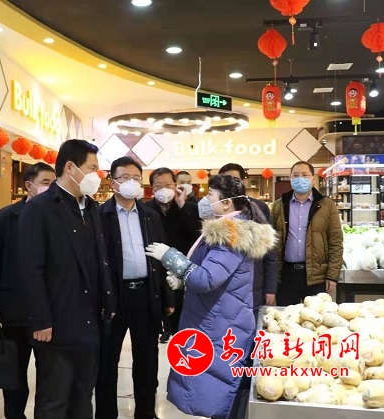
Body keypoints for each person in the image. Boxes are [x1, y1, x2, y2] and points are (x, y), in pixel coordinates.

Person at [145, 174, 276, 419]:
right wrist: (183, 277)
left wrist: (170, 257)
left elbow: (206, 279)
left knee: (217, 387)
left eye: (210, 194)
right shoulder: (229, 228)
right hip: (220, 315)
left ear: (226, 203)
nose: (205, 199)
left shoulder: (230, 234)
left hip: (219, 321)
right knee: (216, 385)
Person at [17, 139, 115, 419]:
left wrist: (108, 304)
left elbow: (100, 261)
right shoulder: (39, 208)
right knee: (54, 399)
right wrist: (40, 319)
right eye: (92, 168)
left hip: (90, 320)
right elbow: (30, 268)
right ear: (71, 167)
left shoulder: (91, 208)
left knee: (83, 396)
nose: (97, 175)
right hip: (57, 322)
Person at [95, 157, 174, 419]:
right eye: (125, 177)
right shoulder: (98, 216)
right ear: (113, 182)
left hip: (145, 294)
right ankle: (106, 413)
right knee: (107, 360)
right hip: (112, 297)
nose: (131, 182)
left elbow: (161, 258)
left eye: (136, 178)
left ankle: (146, 412)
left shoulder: (150, 216)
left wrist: (167, 296)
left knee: (147, 360)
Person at [0, 162, 56, 419]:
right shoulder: (6, 217)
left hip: (48, 310)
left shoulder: (57, 215)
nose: (51, 188)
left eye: (53, 183)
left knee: (49, 373)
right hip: (14, 308)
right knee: (14, 371)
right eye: (45, 183)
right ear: (29, 186)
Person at [271, 161, 343, 306]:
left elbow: (335, 242)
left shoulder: (327, 206)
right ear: (290, 179)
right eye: (296, 175)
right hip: (286, 275)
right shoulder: (279, 205)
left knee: (315, 316)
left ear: (313, 179)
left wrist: (332, 276)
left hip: (316, 276)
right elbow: (271, 242)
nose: (300, 179)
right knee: (286, 315)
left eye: (304, 175)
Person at [145, 168, 201, 343]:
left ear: (176, 185)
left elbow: (197, 233)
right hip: (154, 266)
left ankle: (180, 338)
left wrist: (182, 204)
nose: (164, 189)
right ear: (152, 189)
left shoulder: (190, 207)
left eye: (168, 185)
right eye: (158, 186)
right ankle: (165, 329)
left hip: (182, 266)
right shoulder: (146, 209)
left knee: (182, 315)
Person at [218, 163, 278, 311]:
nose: (229, 184)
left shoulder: (258, 208)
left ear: (243, 182)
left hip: (253, 283)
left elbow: (269, 251)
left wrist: (270, 288)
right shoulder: (216, 209)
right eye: (225, 180)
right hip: (223, 283)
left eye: (234, 180)